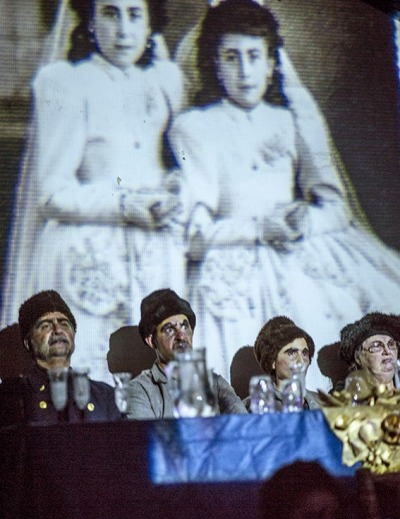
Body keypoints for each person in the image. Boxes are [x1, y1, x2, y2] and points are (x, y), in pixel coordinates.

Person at [169, 0, 400, 387]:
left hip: (301, 249)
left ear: (271, 63)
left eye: (254, 57)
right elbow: (195, 234)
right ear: (214, 64)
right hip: (235, 256)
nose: (245, 72)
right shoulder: (194, 127)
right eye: (231, 58)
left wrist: (305, 220)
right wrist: (262, 230)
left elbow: (335, 207)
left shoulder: (292, 118)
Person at [1, 0, 186, 383]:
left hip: (153, 250)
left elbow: (177, 161)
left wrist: (173, 187)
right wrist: (125, 205)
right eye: (110, 13)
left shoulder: (165, 79)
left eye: (134, 15)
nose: (123, 30)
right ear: (88, 19)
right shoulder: (65, 82)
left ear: (150, 21)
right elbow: (51, 194)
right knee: (92, 382)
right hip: (88, 250)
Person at [0, 290, 121, 425]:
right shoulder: (10, 395)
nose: (58, 330)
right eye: (45, 326)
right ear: (28, 343)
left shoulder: (105, 395)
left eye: (64, 324)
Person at [125, 288, 248, 419]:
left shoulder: (214, 382)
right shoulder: (140, 390)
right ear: (151, 341)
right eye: (170, 329)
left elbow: (244, 423)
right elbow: (146, 432)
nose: (181, 336)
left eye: (184, 327)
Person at [253, 316, 320, 409]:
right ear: (273, 362)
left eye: (304, 353)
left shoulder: (324, 403)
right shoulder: (256, 406)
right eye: (291, 353)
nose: (301, 361)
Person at [339, 312, 400, 395]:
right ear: (358, 358)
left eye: (391, 344)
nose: (387, 351)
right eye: (376, 345)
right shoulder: (346, 397)